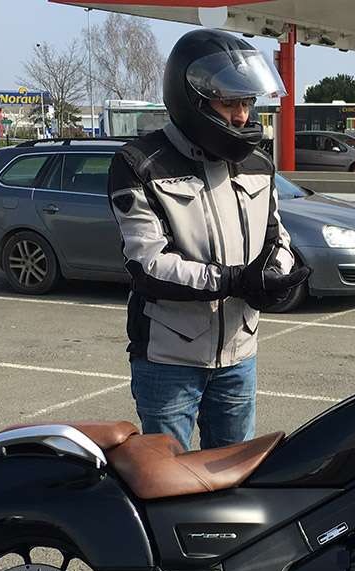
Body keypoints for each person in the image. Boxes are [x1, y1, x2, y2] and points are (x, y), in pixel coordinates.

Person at [108, 29, 311, 450]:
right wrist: (234, 281)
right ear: (193, 100)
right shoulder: (140, 163)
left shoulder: (258, 163)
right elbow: (147, 263)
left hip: (240, 355)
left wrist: (276, 274)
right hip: (169, 361)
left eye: (247, 103)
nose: (242, 116)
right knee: (167, 486)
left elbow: (277, 237)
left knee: (233, 479)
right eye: (230, 103)